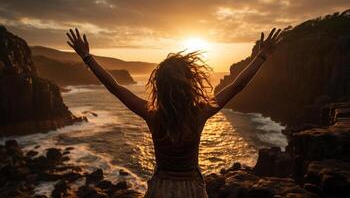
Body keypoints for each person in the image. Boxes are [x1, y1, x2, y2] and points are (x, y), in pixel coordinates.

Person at [66, 28, 282, 198]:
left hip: (161, 188)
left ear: (159, 86)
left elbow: (114, 87)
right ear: (190, 84)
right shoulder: (199, 113)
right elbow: (236, 86)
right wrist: (262, 56)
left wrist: (87, 57)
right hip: (192, 190)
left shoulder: (152, 113)